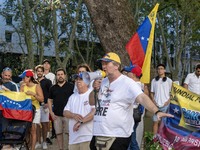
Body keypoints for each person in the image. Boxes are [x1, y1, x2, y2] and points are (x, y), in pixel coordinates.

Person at [89, 52, 173, 150]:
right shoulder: (102, 82)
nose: (103, 66)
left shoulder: (127, 82)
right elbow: (92, 102)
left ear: (116, 66)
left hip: (117, 135)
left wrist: (156, 111)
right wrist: (94, 89)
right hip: (98, 133)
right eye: (102, 64)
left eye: (106, 63)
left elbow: (142, 97)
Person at [63, 73, 95, 150]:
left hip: (87, 137)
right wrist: (73, 115)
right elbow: (65, 112)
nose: (78, 81)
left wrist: (81, 122)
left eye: (81, 79)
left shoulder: (92, 94)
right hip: (73, 139)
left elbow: (94, 112)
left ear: (87, 82)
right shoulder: (72, 97)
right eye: (76, 80)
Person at [122, 65, 149, 150]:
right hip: (135, 114)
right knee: (132, 139)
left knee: (130, 140)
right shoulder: (140, 84)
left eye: (129, 72)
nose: (127, 73)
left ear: (133, 74)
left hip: (132, 114)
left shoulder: (134, 86)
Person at [48, 68, 74, 150]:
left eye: (61, 74)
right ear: (56, 76)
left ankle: (68, 148)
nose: (60, 76)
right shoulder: (53, 88)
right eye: (58, 75)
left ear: (65, 75)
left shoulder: (71, 86)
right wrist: (51, 113)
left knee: (68, 133)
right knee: (58, 133)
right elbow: (49, 100)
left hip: (68, 115)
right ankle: (61, 148)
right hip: (56, 115)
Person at [19, 70, 44, 150]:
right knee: (26, 130)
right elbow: (20, 98)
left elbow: (42, 99)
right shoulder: (22, 86)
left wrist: (33, 94)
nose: (22, 79)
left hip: (35, 110)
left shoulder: (37, 86)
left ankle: (32, 148)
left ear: (29, 77)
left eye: (24, 78)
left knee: (33, 130)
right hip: (26, 110)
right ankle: (27, 146)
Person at [150, 64, 172, 137]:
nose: (160, 70)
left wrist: (168, 101)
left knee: (163, 124)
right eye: (158, 69)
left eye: (161, 68)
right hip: (156, 105)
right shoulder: (154, 80)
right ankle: (154, 138)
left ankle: (162, 138)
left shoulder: (169, 81)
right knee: (155, 122)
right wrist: (153, 100)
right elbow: (151, 92)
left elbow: (172, 93)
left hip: (165, 105)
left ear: (164, 70)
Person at [35, 65, 52, 149]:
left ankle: (44, 142)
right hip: (36, 106)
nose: (39, 72)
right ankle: (38, 141)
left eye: (41, 71)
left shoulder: (48, 81)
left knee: (45, 124)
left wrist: (48, 104)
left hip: (45, 106)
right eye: (38, 71)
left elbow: (51, 93)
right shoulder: (34, 82)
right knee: (37, 124)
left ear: (43, 72)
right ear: (36, 72)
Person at [42, 59, 56, 141]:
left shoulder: (52, 75)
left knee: (48, 119)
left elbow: (53, 88)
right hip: (40, 98)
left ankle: (48, 135)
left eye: (48, 63)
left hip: (49, 99)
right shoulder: (38, 74)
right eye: (45, 63)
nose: (46, 65)